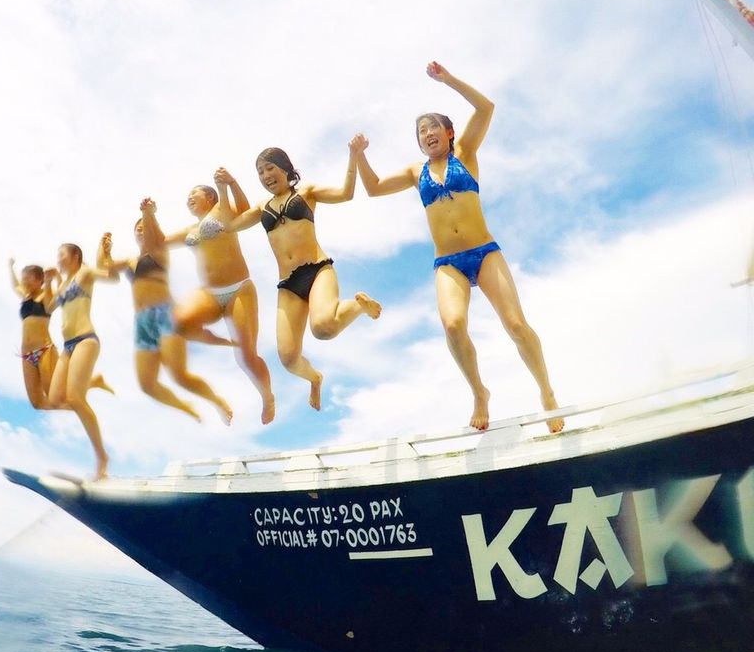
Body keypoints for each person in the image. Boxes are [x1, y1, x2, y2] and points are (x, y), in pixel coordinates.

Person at [352, 61, 563, 433]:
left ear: (448, 133)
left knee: (516, 324)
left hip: (484, 253)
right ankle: (479, 392)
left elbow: (486, 108)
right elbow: (372, 188)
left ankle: (546, 392)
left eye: (433, 127)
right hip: (448, 262)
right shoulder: (414, 173)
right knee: (452, 325)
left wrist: (448, 80)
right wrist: (358, 155)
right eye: (421, 131)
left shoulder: (465, 153)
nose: (427, 133)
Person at [223, 140, 382, 411]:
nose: (265, 175)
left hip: (317, 270)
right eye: (260, 172)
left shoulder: (307, 193)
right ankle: (315, 378)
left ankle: (359, 306)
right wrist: (227, 185)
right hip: (289, 285)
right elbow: (230, 225)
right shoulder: (262, 208)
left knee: (323, 328)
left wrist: (354, 155)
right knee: (287, 358)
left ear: (285, 168)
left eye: (269, 168)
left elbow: (345, 193)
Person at [98, 199, 233, 424]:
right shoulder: (131, 261)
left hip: (165, 315)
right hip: (142, 322)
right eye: (138, 229)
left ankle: (216, 400)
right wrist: (104, 249)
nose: (141, 230)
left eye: (145, 228)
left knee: (179, 375)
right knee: (147, 384)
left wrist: (148, 213)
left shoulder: (159, 251)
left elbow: (154, 235)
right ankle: (186, 407)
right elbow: (105, 268)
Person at [164, 177, 277, 424]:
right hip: (211, 295)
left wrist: (231, 183)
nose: (189, 198)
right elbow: (158, 243)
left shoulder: (221, 208)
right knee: (177, 322)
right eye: (187, 197)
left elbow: (245, 209)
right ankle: (221, 341)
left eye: (194, 194)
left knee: (246, 358)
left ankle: (267, 397)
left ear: (210, 197)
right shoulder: (189, 230)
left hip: (239, 290)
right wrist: (148, 216)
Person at [45, 243, 113, 479]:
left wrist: (105, 255)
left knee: (75, 399)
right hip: (68, 346)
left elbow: (109, 276)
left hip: (85, 340)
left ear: (75, 256)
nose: (58, 259)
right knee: (55, 400)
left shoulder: (84, 272)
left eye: (61, 254)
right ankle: (93, 382)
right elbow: (49, 307)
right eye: (57, 255)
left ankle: (102, 457)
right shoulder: (63, 284)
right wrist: (49, 282)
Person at [9, 258, 110, 411]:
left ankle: (86, 391)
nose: (23, 281)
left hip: (44, 350)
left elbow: (64, 289)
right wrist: (10, 267)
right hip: (26, 354)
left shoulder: (47, 295)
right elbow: (15, 285)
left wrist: (56, 277)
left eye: (27, 278)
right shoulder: (25, 296)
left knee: (54, 395)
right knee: (37, 403)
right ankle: (84, 393)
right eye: (23, 278)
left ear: (39, 281)